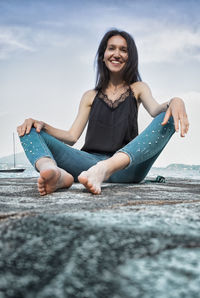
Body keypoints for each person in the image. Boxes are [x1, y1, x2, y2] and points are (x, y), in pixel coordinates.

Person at [17, 29, 189, 196]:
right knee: (28, 129)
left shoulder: (138, 88)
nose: (117, 53)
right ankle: (54, 172)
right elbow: (71, 136)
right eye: (111, 48)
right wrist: (42, 126)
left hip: (126, 167)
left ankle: (103, 169)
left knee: (170, 114)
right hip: (88, 164)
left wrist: (175, 101)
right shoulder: (89, 96)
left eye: (123, 50)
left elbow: (156, 110)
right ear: (103, 55)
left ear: (130, 58)